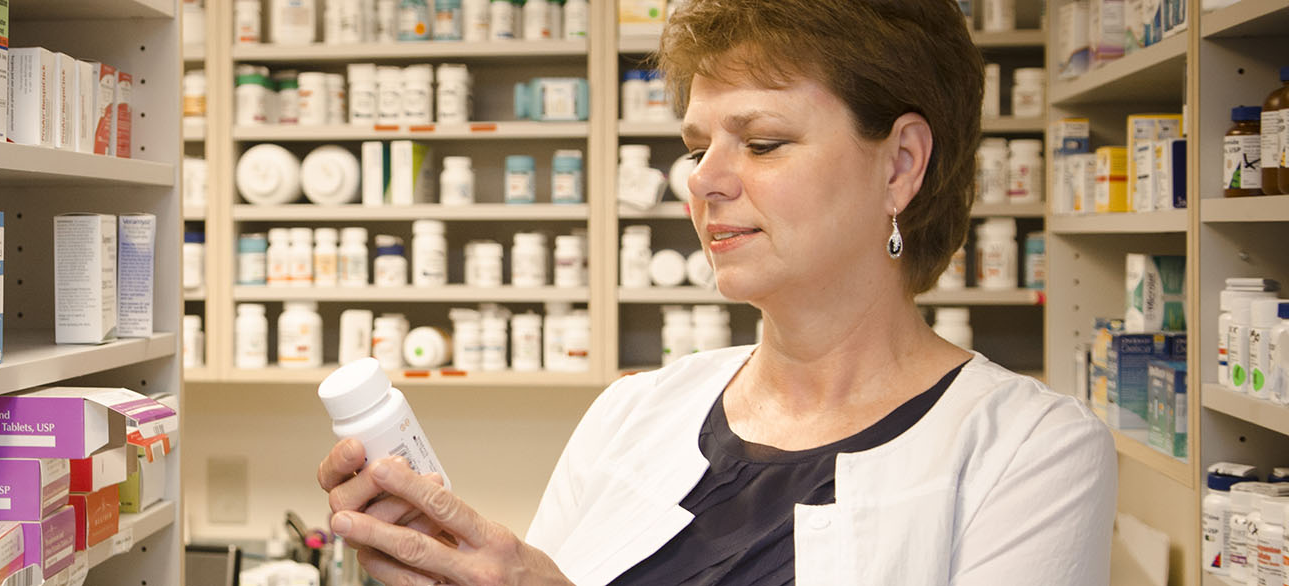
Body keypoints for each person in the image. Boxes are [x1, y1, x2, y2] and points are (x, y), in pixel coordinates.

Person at [316, 0, 1117, 584]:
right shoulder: (631, 415)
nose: (702, 180)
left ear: (901, 164)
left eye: (762, 142)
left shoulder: (1030, 453)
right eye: (698, 146)